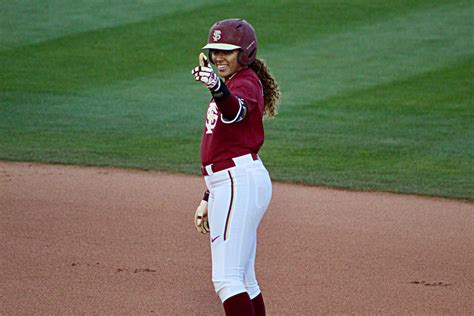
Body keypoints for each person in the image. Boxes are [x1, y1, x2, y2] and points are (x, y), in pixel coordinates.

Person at [191, 18, 280, 316]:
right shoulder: (233, 84)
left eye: (227, 51)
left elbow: (235, 112)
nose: (218, 57)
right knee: (244, 279)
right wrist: (207, 196)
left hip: (237, 181)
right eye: (215, 50)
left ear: (245, 53)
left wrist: (215, 87)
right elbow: (223, 144)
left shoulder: (245, 84)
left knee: (227, 279)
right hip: (228, 183)